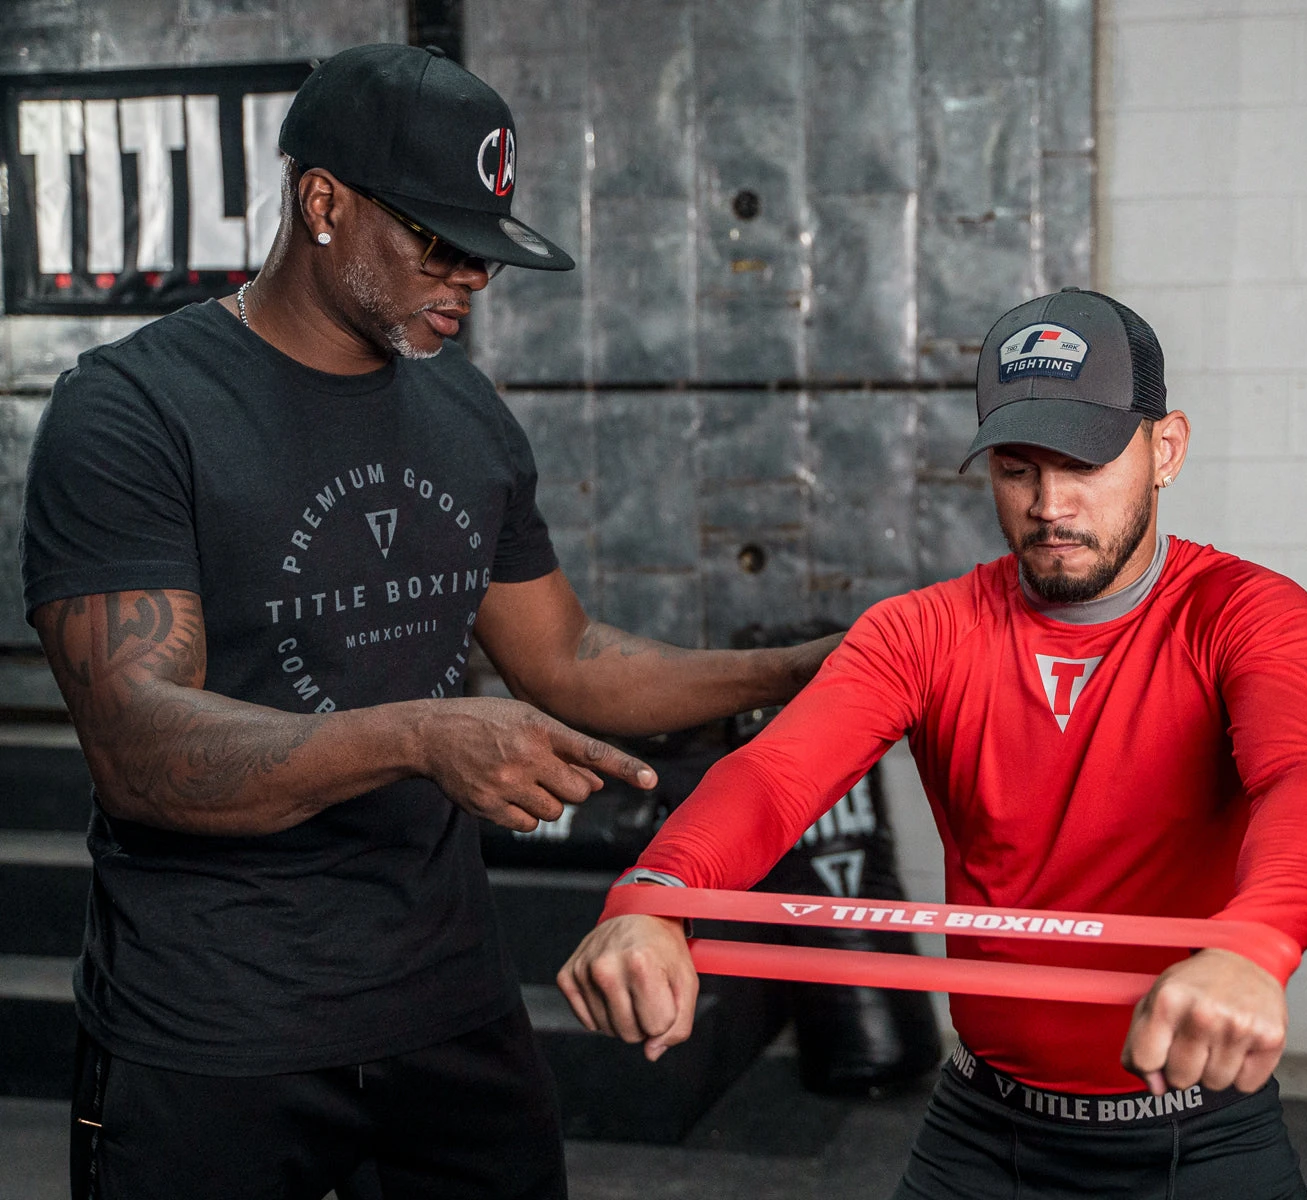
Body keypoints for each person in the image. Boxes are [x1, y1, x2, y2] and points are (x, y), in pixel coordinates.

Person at [21, 43, 838, 1200]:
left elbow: (569, 656)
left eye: (487, 249)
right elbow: (140, 748)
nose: (474, 278)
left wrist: (811, 668)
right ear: (323, 204)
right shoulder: (134, 411)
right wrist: (419, 734)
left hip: (445, 1005)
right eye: (439, 244)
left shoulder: (463, 405)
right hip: (216, 1023)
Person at [559, 288, 1307, 1199]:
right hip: (984, 1132)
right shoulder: (921, 631)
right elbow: (777, 775)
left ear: (1165, 450)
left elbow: (1305, 780)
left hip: (1203, 1134)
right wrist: (660, 895)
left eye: (1085, 464)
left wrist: (1254, 945)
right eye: (1018, 470)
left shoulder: (1247, 614)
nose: (1050, 505)